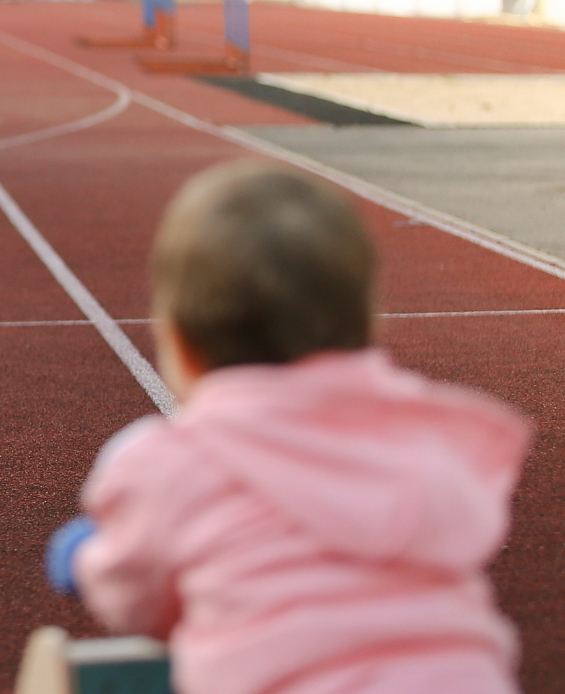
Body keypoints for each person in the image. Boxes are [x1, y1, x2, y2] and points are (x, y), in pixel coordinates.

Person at [44, 160, 528, 694]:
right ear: (368, 323)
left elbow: (136, 598)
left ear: (180, 343)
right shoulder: (428, 439)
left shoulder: (172, 463)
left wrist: (83, 559)